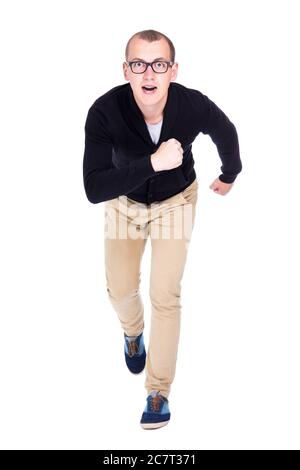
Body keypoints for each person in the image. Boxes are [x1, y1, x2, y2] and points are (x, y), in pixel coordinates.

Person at [83, 29, 242, 429]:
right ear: (126, 70)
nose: (148, 73)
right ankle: (132, 333)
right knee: (120, 289)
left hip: (176, 202)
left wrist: (230, 173)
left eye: (159, 64)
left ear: (172, 70)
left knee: (165, 295)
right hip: (124, 203)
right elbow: (94, 187)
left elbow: (225, 131)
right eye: (139, 64)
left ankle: (158, 392)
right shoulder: (104, 111)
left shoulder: (191, 105)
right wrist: (152, 163)